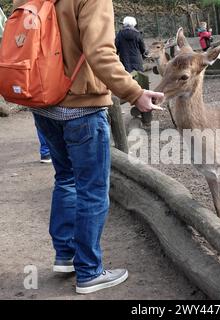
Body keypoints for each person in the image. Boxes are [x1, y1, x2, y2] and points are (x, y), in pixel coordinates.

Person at [12, 0, 163, 294]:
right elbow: (100, 53)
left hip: (43, 104)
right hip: (80, 107)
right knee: (92, 189)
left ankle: (66, 255)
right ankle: (89, 271)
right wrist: (135, 93)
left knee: (65, 179)